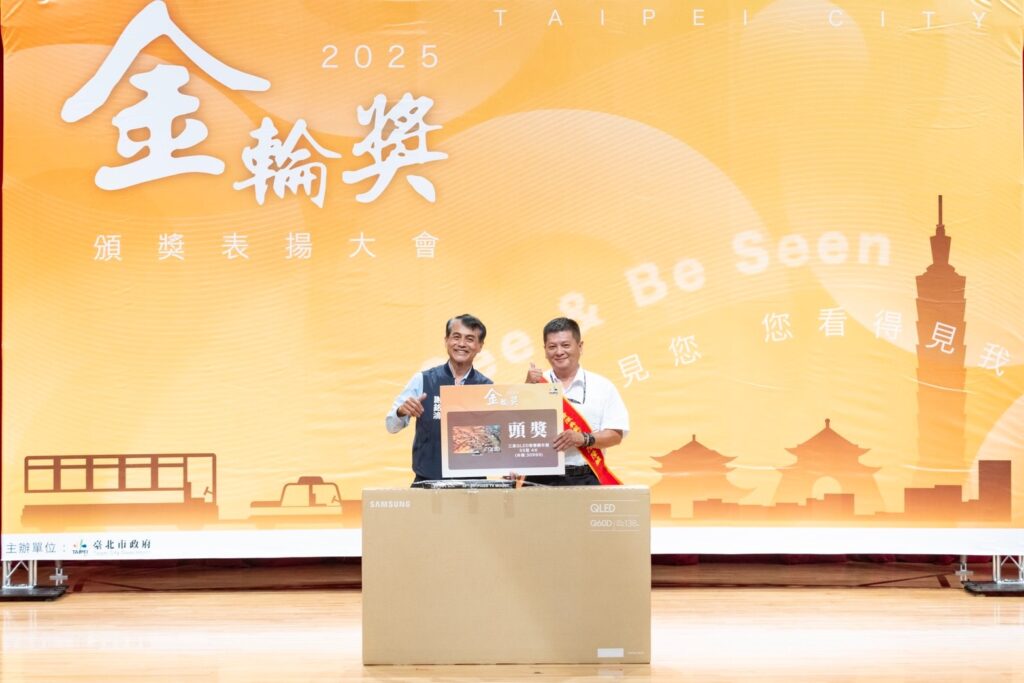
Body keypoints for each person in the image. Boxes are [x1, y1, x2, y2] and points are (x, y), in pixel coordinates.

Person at [386, 314, 492, 484]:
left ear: (480, 346)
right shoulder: (423, 380)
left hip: (472, 485)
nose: (462, 344)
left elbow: (494, 442)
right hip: (427, 482)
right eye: (456, 337)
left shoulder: (487, 388)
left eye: (470, 339)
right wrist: (401, 412)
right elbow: (391, 426)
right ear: (446, 341)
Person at [524, 317, 628, 486]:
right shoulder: (534, 385)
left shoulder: (602, 386)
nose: (559, 352)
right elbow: (515, 433)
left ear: (580, 346)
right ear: (545, 350)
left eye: (565, 345)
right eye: (552, 346)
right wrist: (526, 391)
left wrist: (583, 438)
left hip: (585, 477)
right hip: (539, 477)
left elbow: (615, 436)